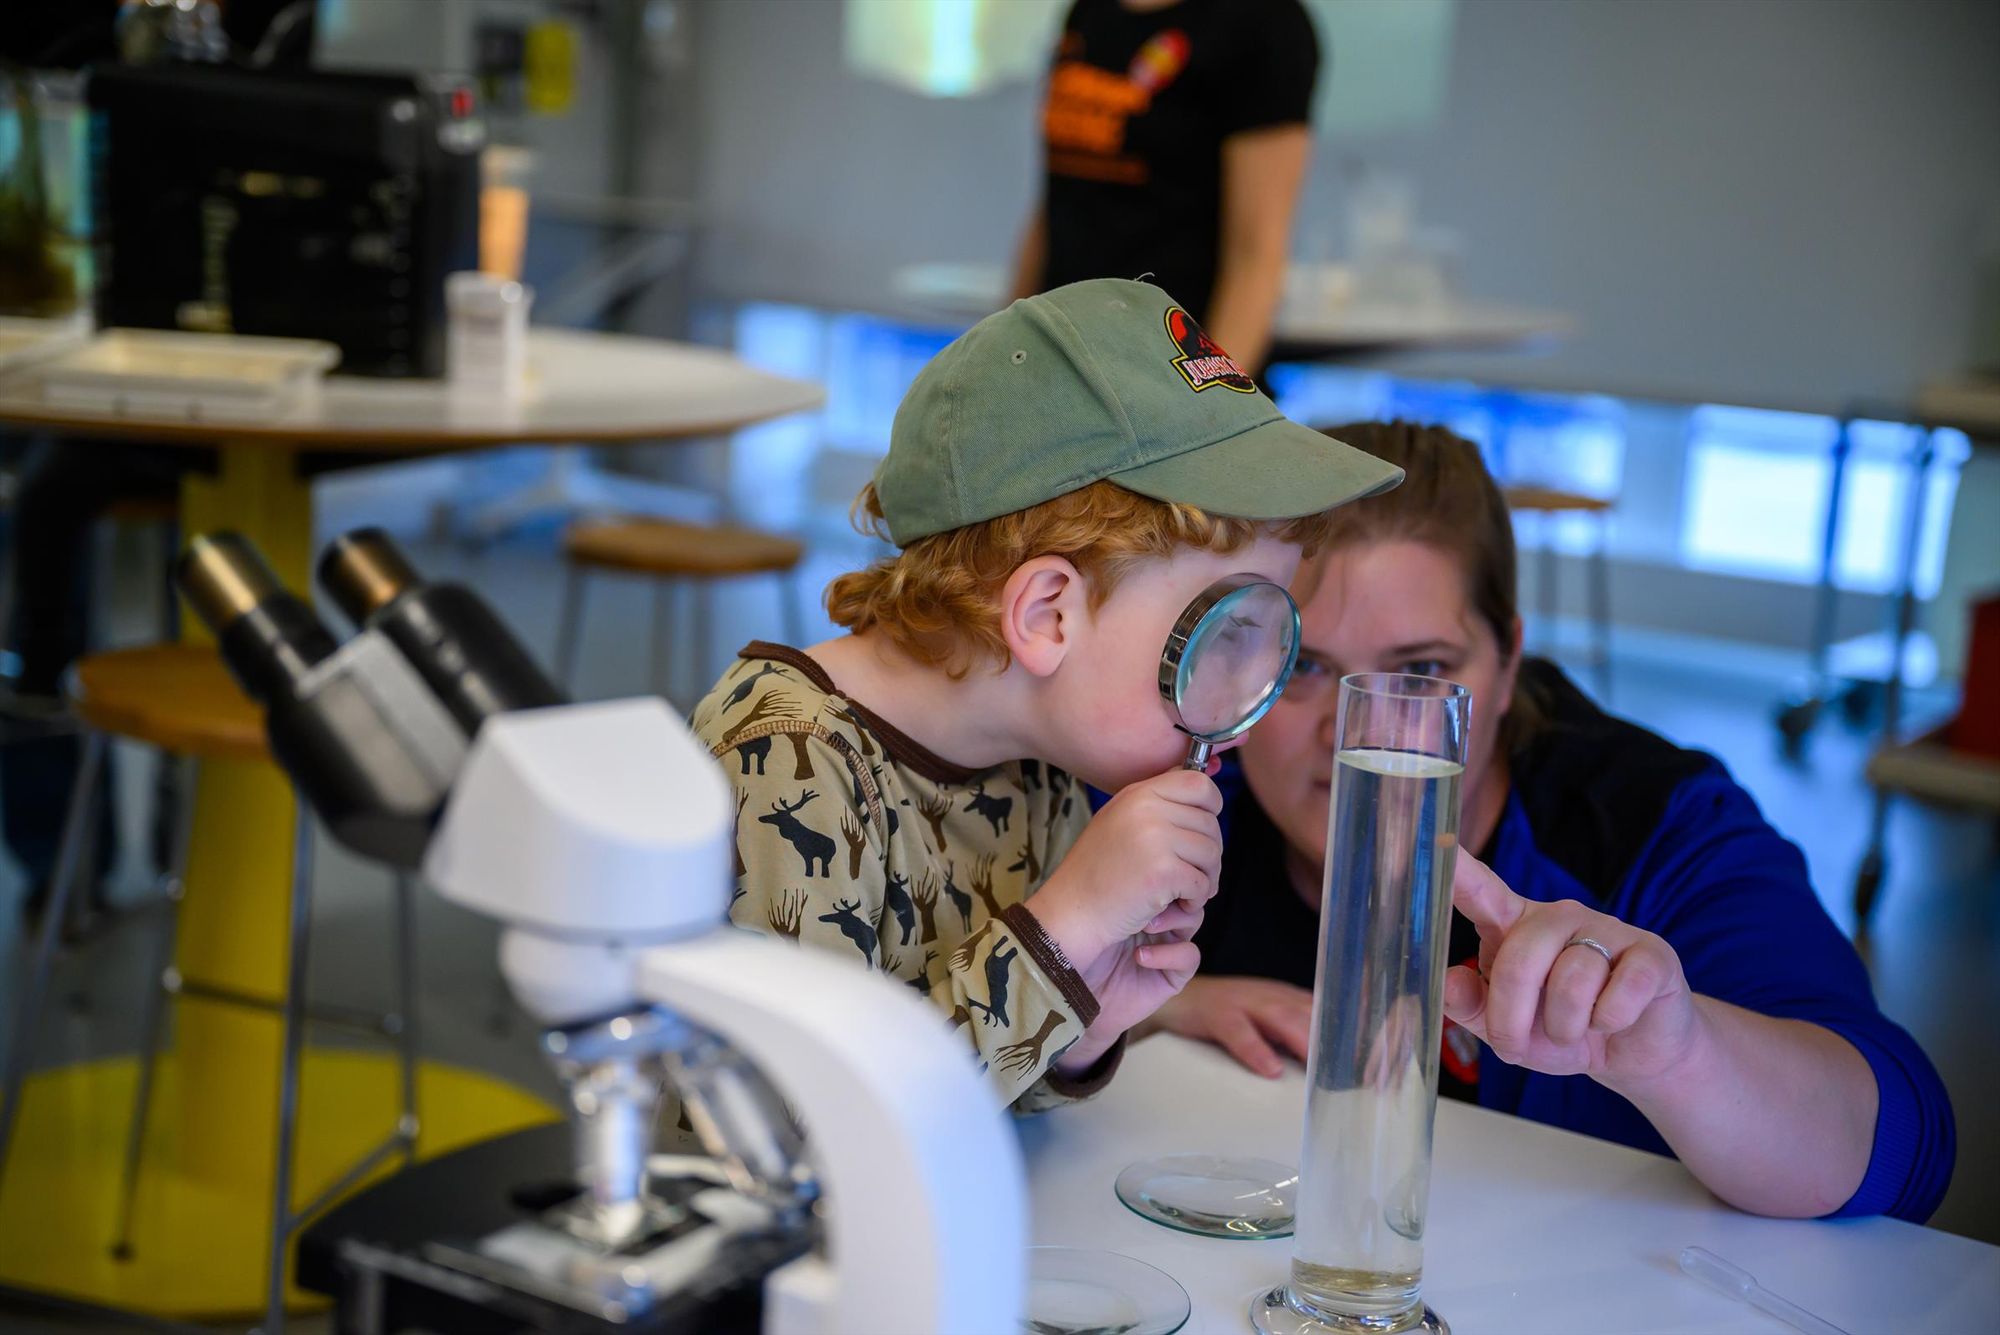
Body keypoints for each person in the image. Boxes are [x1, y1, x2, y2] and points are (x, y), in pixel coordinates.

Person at [1157, 420, 1955, 1222]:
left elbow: (1900, 1147)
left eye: (1422, 671)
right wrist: (1153, 1002)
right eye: (1302, 667)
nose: (1359, 730)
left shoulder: (1649, 824)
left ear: (1508, 664)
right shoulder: (1184, 783)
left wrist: (1679, 1051)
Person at [688, 279, 1401, 1112]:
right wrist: (1064, 931)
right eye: (1222, 634)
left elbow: (984, 1091)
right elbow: (808, 1140)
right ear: (1046, 613)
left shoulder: (1038, 756)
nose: (1254, 702)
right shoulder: (786, 754)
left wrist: (1091, 1021)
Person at [1010, 0, 1318, 375]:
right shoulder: (1090, 10)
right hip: (1057, 364)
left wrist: (1214, 406)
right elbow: (1055, 205)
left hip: (1164, 377)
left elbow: (1256, 255)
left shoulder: (1263, 22)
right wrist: (1000, 355)